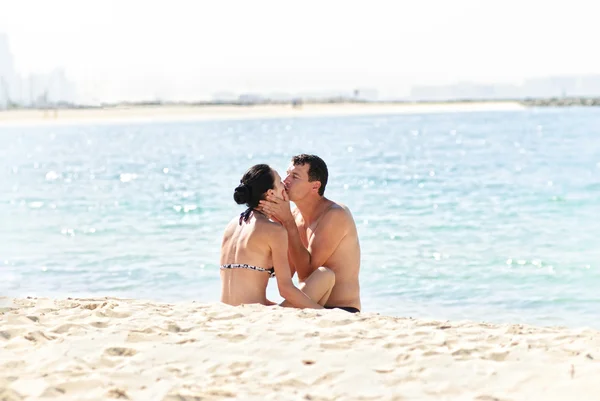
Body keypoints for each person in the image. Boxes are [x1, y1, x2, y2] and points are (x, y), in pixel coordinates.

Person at [220, 163, 335, 309]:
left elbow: (244, 291)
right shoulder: (273, 231)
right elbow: (285, 290)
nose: (285, 185)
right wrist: (322, 312)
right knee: (325, 276)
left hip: (227, 309)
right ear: (271, 194)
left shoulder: (232, 225)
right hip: (253, 316)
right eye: (280, 181)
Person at [259, 154, 362, 313]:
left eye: (295, 176)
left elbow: (307, 273)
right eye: (287, 174)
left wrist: (287, 223)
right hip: (310, 304)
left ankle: (279, 313)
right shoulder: (294, 216)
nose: (285, 181)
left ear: (315, 186)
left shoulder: (335, 215)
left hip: (342, 310)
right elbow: (287, 271)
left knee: (323, 274)